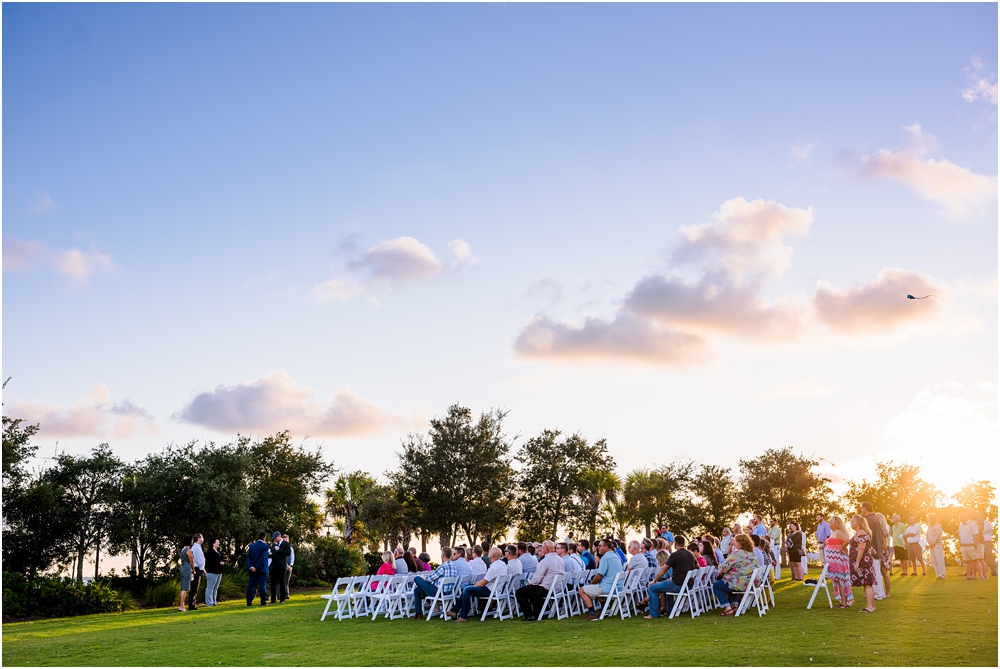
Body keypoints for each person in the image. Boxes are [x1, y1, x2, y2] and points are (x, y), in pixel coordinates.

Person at [643, 536, 698, 619]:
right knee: (667, 584)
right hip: (689, 585)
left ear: (675, 544)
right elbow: (697, 567)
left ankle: (654, 614)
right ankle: (670, 610)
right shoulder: (691, 554)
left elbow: (663, 570)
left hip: (678, 585)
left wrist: (654, 580)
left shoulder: (674, 555)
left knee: (652, 587)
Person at [448, 547, 506, 622]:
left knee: (467, 589)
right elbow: (485, 580)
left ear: (493, 555)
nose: (489, 552)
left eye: (490, 551)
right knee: (467, 588)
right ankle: (454, 611)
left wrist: (475, 585)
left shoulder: (494, 568)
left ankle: (462, 616)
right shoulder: (501, 564)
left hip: (490, 591)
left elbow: (482, 584)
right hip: (495, 590)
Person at [515, 540, 565, 621]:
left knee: (520, 592)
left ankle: (530, 615)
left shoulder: (545, 561)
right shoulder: (560, 559)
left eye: (542, 548)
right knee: (532, 590)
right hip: (557, 587)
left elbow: (537, 578)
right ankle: (538, 612)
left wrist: (530, 583)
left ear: (546, 549)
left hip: (547, 589)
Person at [713, 533, 756, 616]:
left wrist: (720, 571)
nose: (733, 543)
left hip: (739, 584)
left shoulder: (737, 553)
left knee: (717, 585)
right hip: (748, 583)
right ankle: (735, 605)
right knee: (728, 582)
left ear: (741, 543)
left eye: (735, 542)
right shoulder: (751, 554)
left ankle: (728, 608)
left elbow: (725, 566)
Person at [580, 539, 622, 620]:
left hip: (608, 587)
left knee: (581, 590)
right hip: (617, 586)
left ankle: (592, 613)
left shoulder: (605, 558)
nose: (598, 548)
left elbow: (599, 576)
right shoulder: (615, 556)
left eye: (600, 546)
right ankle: (604, 608)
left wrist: (591, 583)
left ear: (606, 547)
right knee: (596, 587)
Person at [411, 547, 458, 618]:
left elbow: (429, 579)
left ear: (442, 555)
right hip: (449, 592)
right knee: (416, 590)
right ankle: (418, 613)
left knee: (417, 578)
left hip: (438, 591)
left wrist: (423, 578)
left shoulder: (443, 567)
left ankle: (419, 612)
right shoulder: (454, 566)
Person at [849, 513, 877, 613]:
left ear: (858, 523)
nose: (851, 523)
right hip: (864, 561)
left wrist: (856, 563)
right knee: (867, 583)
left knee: (867, 583)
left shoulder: (861, 532)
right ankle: (872, 606)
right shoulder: (860, 533)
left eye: (852, 521)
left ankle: (869, 606)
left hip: (863, 562)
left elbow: (861, 548)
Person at [825, 516, 854, 609]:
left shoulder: (838, 532)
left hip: (838, 559)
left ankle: (845, 603)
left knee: (841, 580)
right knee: (837, 580)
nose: (829, 522)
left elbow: (847, 540)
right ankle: (842, 602)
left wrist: (841, 548)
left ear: (836, 523)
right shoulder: (834, 532)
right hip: (833, 560)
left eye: (831, 521)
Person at [860, 502, 887, 599]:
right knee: (876, 571)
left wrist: (868, 548)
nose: (861, 509)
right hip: (877, 549)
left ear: (865, 508)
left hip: (872, 551)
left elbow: (869, 536)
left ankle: (878, 593)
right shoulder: (875, 519)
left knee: (874, 572)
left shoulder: (869, 520)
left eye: (861, 507)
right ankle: (880, 593)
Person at [958, 510, 985, 580]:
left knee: (976, 561)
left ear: (965, 517)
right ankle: (968, 576)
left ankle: (981, 576)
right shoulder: (960, 526)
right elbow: (960, 536)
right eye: (959, 517)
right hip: (964, 546)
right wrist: (960, 545)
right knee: (967, 562)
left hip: (971, 545)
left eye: (961, 516)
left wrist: (975, 545)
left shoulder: (972, 524)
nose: (960, 518)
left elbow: (976, 535)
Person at [246, 531, 270, 606]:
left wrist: (251, 566)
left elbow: (248, 557)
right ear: (264, 538)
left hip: (252, 569)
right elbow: (262, 558)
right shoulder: (265, 546)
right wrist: (256, 567)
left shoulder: (251, 546)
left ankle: (249, 601)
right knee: (262, 585)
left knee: (251, 585)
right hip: (262, 569)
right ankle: (263, 601)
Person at [269, 531, 290, 603]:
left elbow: (288, 553)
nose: (275, 540)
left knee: (282, 582)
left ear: (279, 536)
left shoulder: (286, 544)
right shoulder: (273, 545)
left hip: (281, 566)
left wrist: (280, 549)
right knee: (273, 583)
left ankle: (282, 599)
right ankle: (273, 599)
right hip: (274, 566)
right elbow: (273, 555)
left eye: (275, 538)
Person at [204, 538, 226, 607]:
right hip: (212, 572)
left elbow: (222, 558)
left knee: (215, 588)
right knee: (210, 587)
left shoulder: (218, 552)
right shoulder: (210, 552)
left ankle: (214, 601)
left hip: (219, 572)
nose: (218, 543)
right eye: (217, 542)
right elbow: (211, 562)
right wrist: (219, 563)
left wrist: (223, 561)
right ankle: (208, 602)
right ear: (213, 543)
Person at [187, 533, 206, 610]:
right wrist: (202, 569)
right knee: (194, 587)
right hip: (197, 568)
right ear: (198, 539)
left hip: (196, 568)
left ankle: (192, 603)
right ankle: (192, 604)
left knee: (194, 587)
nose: (203, 539)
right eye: (202, 537)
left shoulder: (196, 547)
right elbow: (199, 560)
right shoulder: (197, 548)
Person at [925, 514, 946, 579]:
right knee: (933, 560)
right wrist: (929, 543)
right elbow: (927, 536)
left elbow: (937, 537)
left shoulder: (938, 527)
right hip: (931, 545)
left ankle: (942, 574)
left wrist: (932, 543)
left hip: (937, 545)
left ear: (935, 519)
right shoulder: (929, 527)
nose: (929, 520)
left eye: (931, 518)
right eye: (929, 519)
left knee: (939, 560)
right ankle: (938, 573)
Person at [178, 536, 194, 612]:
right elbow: (191, 561)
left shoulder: (183, 549)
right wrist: (193, 569)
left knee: (183, 587)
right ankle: (181, 606)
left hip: (183, 568)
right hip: (187, 568)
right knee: (185, 588)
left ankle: (182, 605)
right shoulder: (188, 550)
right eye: (192, 540)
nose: (192, 541)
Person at [981, 512, 997, 577]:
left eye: (981, 514)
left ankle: (994, 572)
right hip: (982, 542)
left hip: (987, 542)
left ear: (985, 516)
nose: (979, 516)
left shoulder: (987, 524)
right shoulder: (980, 524)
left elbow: (982, 531)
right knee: (982, 558)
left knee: (989, 557)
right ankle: (984, 572)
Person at [281, 534, 295, 598]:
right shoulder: (281, 548)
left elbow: (292, 557)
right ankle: (280, 595)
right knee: (281, 581)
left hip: (289, 567)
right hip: (282, 566)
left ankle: (286, 595)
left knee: (287, 581)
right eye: (284, 540)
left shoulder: (291, 548)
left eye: (286, 539)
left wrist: (290, 565)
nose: (285, 541)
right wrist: (286, 565)